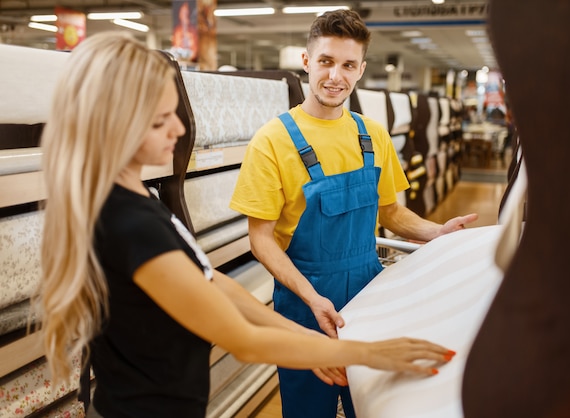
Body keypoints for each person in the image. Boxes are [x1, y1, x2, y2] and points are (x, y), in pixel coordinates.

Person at [33, 32, 456, 418]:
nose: (180, 129)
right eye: (162, 119)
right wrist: (369, 353)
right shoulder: (127, 223)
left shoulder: (140, 199)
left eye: (349, 65)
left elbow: (210, 281)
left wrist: (316, 343)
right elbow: (242, 338)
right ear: (114, 122)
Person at [229, 9, 477, 418]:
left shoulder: (372, 135)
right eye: (325, 61)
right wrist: (312, 298)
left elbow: (392, 212)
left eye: (347, 65)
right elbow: (260, 239)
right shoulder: (272, 141)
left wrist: (437, 232)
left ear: (360, 70)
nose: (335, 76)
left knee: (375, 405)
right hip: (305, 302)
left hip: (370, 293)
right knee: (310, 409)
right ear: (307, 62)